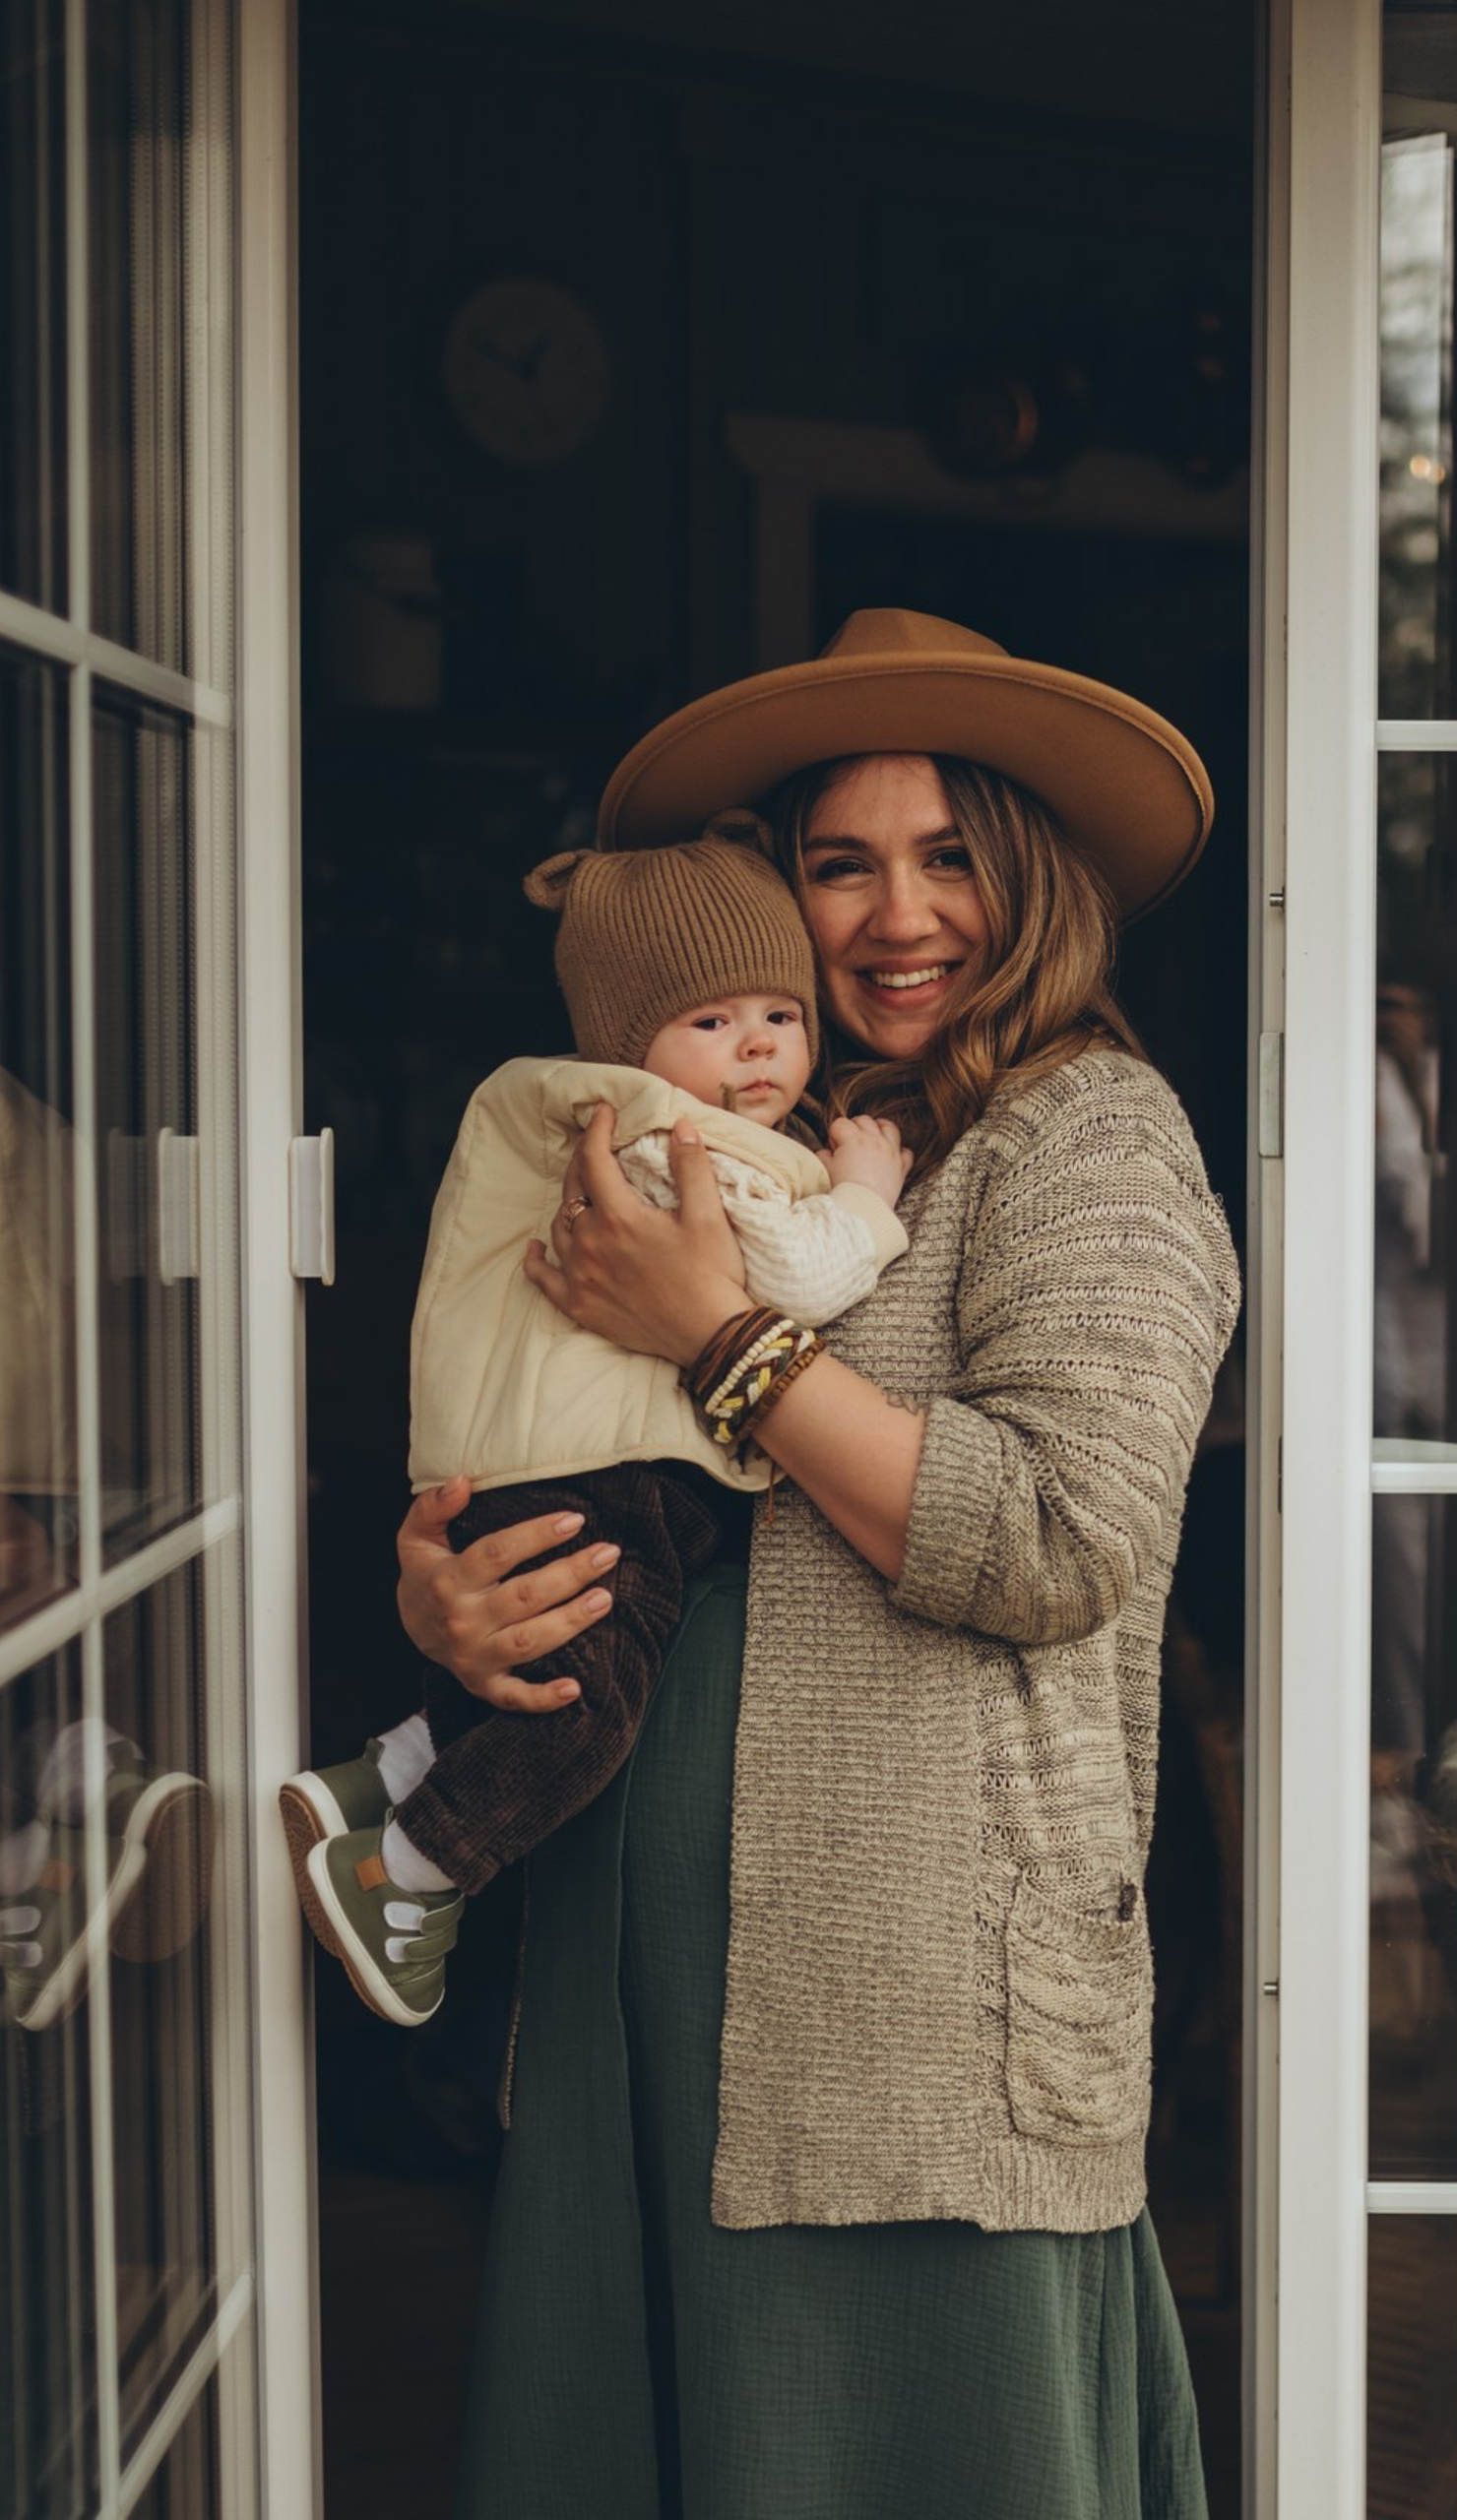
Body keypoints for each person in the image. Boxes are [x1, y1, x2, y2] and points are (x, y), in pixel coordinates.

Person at [390, 607, 1239, 2520]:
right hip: (636, 1977)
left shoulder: (1090, 1131)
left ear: (1032, 880)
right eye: (839, 863)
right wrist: (451, 1601)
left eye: (948, 856)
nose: (894, 915)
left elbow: (1058, 1531)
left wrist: (732, 1341)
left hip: (910, 2027)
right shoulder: (741, 1136)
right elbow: (547, 1436)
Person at [281, 830, 913, 2029]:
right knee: (589, 1713)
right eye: (712, 1021)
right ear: (630, 1044)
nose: (760, 1043)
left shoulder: (601, 1115)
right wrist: (868, 1198)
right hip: (604, 1471)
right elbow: (796, 1275)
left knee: (550, 1672)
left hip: (550, 1455)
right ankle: (407, 1877)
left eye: (777, 1011)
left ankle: (396, 1769)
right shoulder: (678, 1139)